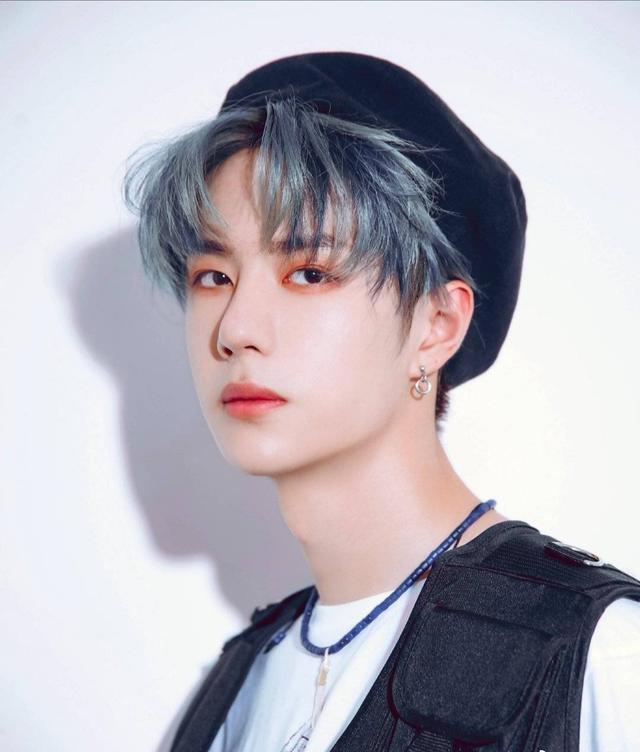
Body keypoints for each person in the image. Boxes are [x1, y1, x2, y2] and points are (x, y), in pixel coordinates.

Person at [122, 52, 640, 752]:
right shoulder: (239, 684)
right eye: (213, 276)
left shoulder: (604, 658)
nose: (236, 329)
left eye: (309, 272)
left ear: (437, 325)